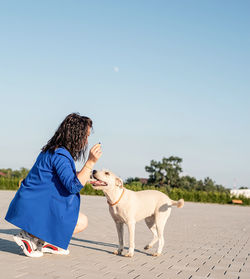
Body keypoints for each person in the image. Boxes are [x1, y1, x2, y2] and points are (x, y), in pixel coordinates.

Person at [5, 113, 102, 257]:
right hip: (35, 207)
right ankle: (28, 236)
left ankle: (44, 241)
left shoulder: (55, 151)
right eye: (86, 136)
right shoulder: (60, 155)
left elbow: (66, 178)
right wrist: (90, 163)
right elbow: (73, 186)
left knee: (81, 221)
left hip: (35, 204)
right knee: (81, 222)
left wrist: (87, 177)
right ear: (76, 135)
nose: (87, 142)